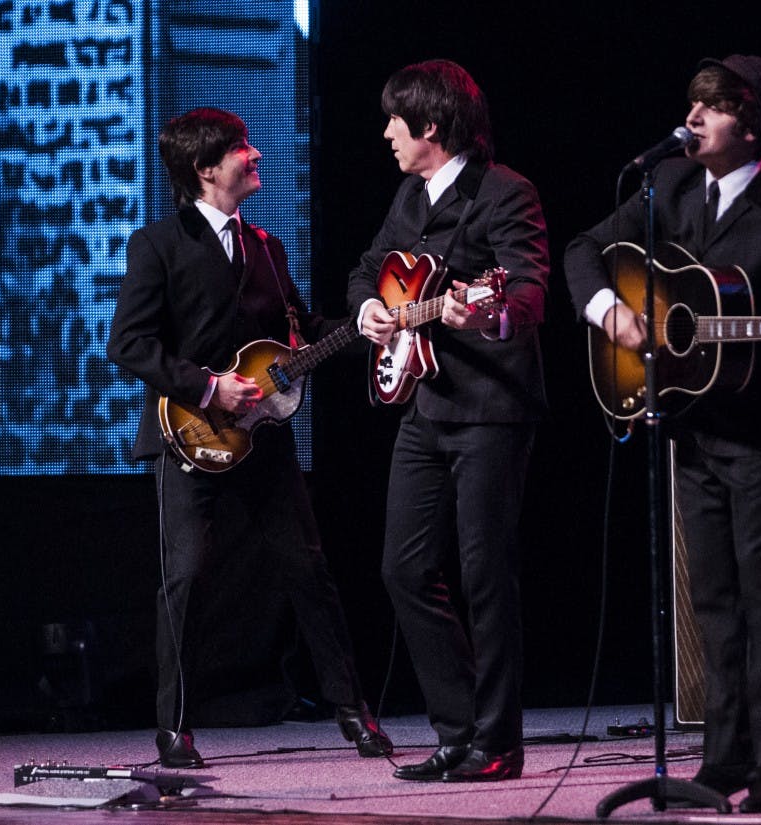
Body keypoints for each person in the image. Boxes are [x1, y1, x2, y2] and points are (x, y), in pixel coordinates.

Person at [564, 56, 761, 812]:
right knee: (712, 597)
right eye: (691, 103)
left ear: (750, 126)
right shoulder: (671, 184)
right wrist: (611, 313)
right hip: (691, 420)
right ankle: (724, 759)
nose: (692, 118)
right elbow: (583, 250)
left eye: (711, 107)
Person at [107, 107, 392, 768]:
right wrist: (210, 388)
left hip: (263, 440)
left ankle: (353, 710)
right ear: (206, 169)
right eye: (241, 147)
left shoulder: (266, 244)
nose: (255, 154)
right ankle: (174, 729)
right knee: (185, 578)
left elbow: (302, 330)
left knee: (309, 569)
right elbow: (129, 343)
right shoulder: (158, 243)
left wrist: (366, 326)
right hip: (188, 436)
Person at [346, 60, 549, 782]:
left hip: (490, 407)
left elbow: (527, 291)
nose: (386, 134)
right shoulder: (410, 194)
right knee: (402, 568)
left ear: (431, 125)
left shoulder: (505, 191)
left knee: (486, 574)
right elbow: (367, 269)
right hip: (425, 405)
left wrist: (489, 314)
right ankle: (458, 729)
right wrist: (370, 309)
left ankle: (498, 742)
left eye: (395, 121)